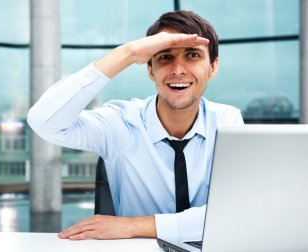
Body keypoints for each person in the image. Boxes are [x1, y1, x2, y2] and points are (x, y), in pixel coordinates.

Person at [27, 10, 244, 242]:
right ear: (150, 70)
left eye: (192, 55)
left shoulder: (227, 123)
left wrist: (135, 225)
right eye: (165, 56)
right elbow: (44, 121)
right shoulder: (120, 123)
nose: (178, 70)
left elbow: (236, 212)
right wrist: (127, 53)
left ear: (212, 67)